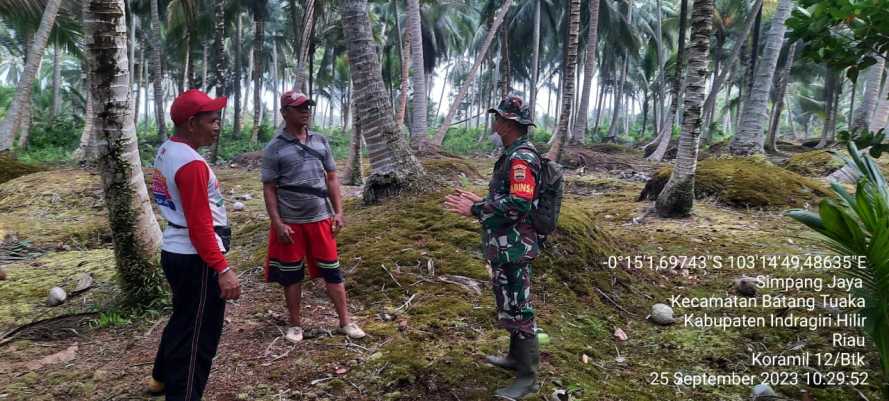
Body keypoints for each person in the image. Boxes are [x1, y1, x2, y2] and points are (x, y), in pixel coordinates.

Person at [444, 95, 542, 400]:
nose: (494, 121)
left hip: (515, 246)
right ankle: (515, 359)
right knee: (509, 303)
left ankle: (528, 377)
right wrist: (481, 201)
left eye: (498, 117)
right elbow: (505, 197)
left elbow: (519, 204)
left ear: (510, 124)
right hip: (504, 245)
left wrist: (474, 210)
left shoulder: (522, 158)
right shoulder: (511, 153)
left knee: (520, 307)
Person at [148, 89, 241, 401]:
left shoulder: (167, 150)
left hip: (175, 248)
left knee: (184, 317)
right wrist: (222, 268)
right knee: (199, 337)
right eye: (212, 120)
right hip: (196, 256)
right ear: (191, 123)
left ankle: (160, 377)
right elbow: (201, 227)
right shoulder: (191, 165)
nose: (217, 126)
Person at [261, 90, 365, 343]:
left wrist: (338, 211)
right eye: (299, 107)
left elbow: (331, 178)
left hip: (320, 218)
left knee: (332, 271)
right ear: (285, 112)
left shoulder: (320, 141)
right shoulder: (274, 148)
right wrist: (277, 222)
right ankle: (295, 325)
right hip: (291, 223)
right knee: (292, 274)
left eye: (308, 106)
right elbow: (269, 188)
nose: (306, 110)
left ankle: (345, 322)